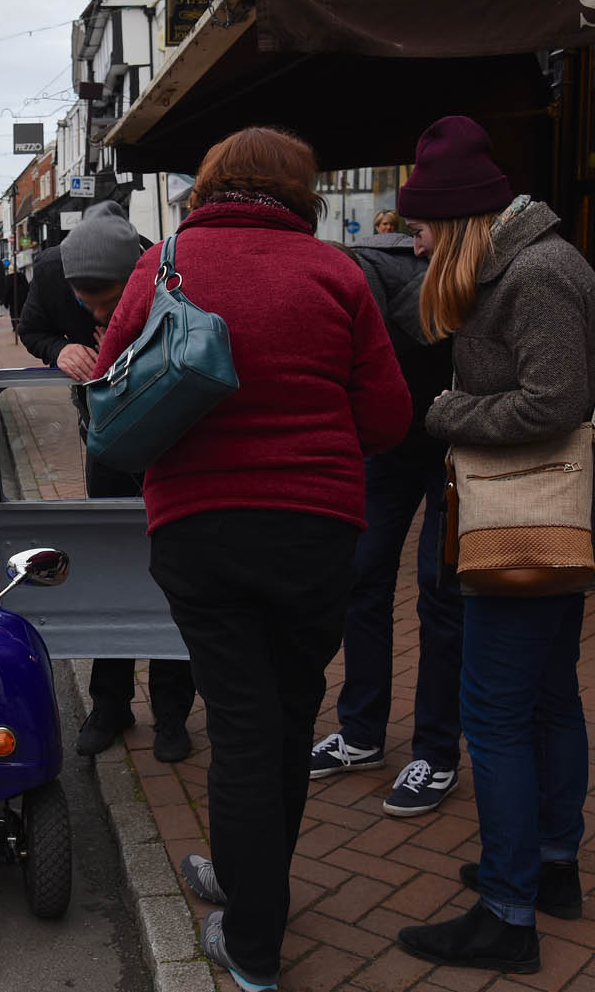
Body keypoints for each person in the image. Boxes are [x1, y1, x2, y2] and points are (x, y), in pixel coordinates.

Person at [95, 128, 410, 991]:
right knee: (288, 709)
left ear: (211, 182)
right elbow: (386, 419)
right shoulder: (338, 273)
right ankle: (249, 887)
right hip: (316, 529)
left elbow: (119, 370)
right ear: (301, 189)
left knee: (237, 718)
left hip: (198, 525)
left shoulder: (167, 262)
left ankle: (253, 937)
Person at [393, 116, 595, 974]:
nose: (416, 248)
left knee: (493, 718)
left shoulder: (532, 274)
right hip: (541, 523)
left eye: (420, 230)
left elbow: (550, 403)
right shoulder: (524, 265)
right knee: (544, 701)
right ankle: (549, 867)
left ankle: (506, 912)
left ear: (458, 220)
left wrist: (446, 415)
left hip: (527, 526)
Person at [17, 201, 197, 763]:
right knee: (111, 561)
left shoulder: (166, 268)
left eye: (111, 303)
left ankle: (172, 712)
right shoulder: (48, 272)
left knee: (172, 565)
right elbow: (31, 328)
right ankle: (110, 703)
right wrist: (59, 349)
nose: (98, 316)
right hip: (106, 436)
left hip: (167, 433)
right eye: (86, 304)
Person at [311, 233, 466, 817]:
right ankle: (361, 735)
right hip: (390, 442)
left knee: (441, 592)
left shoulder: (416, 292)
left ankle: (436, 753)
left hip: (455, 442)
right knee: (362, 579)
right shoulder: (340, 285)